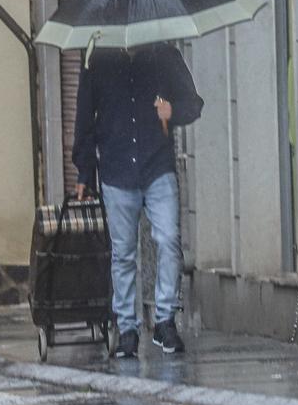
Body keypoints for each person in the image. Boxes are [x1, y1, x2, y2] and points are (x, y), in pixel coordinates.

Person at [72, 42, 203, 358]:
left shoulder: (164, 56)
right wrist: (85, 173)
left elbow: (193, 103)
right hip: (117, 170)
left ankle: (165, 321)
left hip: (157, 166)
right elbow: (84, 121)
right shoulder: (98, 62)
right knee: (123, 254)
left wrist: (173, 112)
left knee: (169, 239)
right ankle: (127, 328)